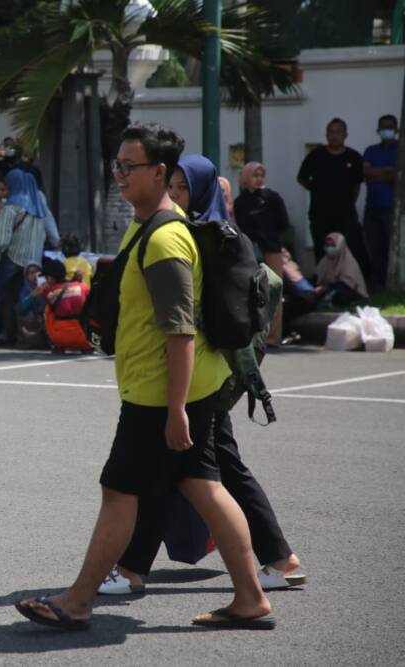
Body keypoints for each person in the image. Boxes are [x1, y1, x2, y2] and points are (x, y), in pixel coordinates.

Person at [16, 123, 274, 631]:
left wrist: (176, 408)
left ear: (160, 172)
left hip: (160, 395)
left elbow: (178, 331)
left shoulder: (166, 239)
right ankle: (250, 597)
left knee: (119, 490)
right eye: (117, 165)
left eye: (129, 167)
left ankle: (78, 600)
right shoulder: (149, 225)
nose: (119, 175)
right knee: (202, 483)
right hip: (168, 389)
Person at [97, 153, 305, 597]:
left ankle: (133, 571)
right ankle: (273, 562)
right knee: (198, 470)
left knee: (179, 473)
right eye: (172, 186)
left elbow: (185, 325)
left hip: (198, 380)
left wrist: (176, 403)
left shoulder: (198, 238)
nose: (174, 195)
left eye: (183, 187)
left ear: (205, 189)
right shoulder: (211, 234)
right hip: (208, 378)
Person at [0, 168, 59, 345]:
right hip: (34, 262)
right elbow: (54, 235)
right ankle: (30, 335)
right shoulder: (41, 208)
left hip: (11, 257)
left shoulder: (11, 207)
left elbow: (2, 239)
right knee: (27, 297)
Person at [234, 161, 291, 346]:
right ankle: (253, 336)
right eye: (254, 175)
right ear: (245, 178)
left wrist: (269, 236)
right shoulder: (240, 202)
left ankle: (274, 336)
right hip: (250, 251)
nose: (259, 179)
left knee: (274, 292)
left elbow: (283, 222)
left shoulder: (271, 197)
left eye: (261, 175)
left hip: (271, 250)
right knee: (252, 293)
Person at [297, 118, 366, 269]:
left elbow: (357, 184)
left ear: (345, 135)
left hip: (346, 214)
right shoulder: (316, 155)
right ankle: (323, 283)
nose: (334, 135)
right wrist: (318, 190)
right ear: (327, 134)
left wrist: (348, 200)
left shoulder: (353, 157)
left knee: (349, 248)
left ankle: (348, 282)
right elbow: (302, 178)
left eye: (338, 132)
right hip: (320, 213)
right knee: (322, 250)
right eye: (331, 132)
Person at [362, 114, 399, 290]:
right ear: (378, 131)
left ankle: (393, 284)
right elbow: (366, 172)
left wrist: (379, 174)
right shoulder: (371, 150)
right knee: (375, 248)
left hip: (392, 208)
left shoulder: (400, 150)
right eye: (383, 127)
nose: (387, 130)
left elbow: (397, 175)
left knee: (391, 247)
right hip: (372, 208)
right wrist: (387, 172)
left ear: (397, 129)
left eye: (390, 127)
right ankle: (378, 283)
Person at [314, 232, 369, 307]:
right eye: (327, 245)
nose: (329, 248)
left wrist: (326, 287)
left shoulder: (348, 261)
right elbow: (317, 277)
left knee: (341, 294)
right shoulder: (325, 261)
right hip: (330, 289)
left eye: (333, 245)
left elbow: (348, 284)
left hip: (350, 291)